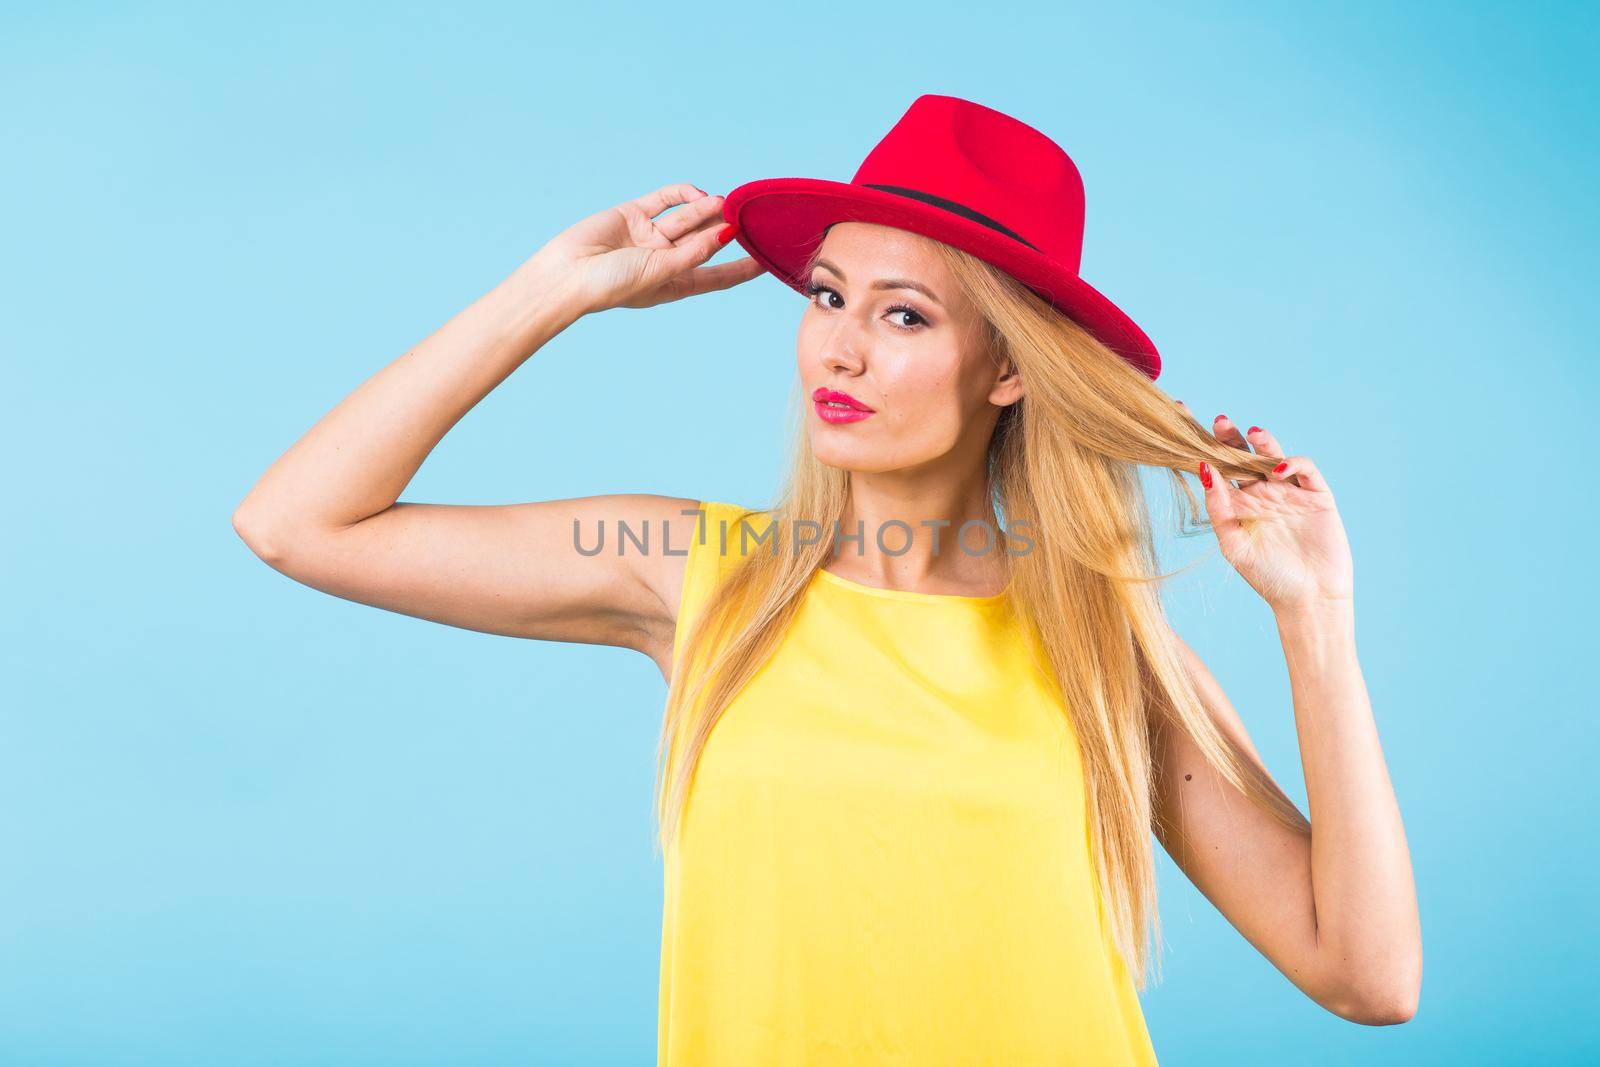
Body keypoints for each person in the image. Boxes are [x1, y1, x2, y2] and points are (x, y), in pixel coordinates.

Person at [233, 94, 1421, 1065]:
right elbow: (298, 522)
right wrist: (558, 288)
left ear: (1006, 369)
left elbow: (1366, 975)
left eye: (903, 315)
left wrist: (1316, 618)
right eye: (826, 296)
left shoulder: (1098, 639)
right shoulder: (697, 574)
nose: (839, 347)